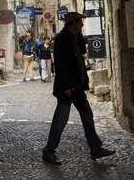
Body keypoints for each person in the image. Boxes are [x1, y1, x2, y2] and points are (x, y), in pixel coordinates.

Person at [42, 12, 115, 165]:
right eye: (80, 22)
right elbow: (61, 64)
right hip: (68, 88)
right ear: (73, 22)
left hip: (76, 87)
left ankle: (96, 148)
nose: (82, 24)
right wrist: (67, 85)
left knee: (87, 116)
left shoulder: (74, 37)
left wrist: (80, 35)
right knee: (60, 120)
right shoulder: (62, 39)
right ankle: (49, 151)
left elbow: (82, 51)